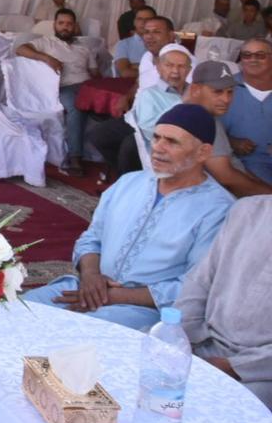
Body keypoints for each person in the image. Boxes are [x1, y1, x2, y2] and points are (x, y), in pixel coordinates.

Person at [23, 104, 234, 331]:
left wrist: (117, 296)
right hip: (88, 288)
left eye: (172, 142)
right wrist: (91, 275)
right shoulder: (129, 182)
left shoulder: (218, 209)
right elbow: (92, 238)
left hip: (147, 310)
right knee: (17, 312)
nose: (158, 148)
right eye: (156, 138)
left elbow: (196, 285)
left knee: (75, 338)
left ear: (203, 152)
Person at [176, 194, 272, 410]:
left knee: (227, 408)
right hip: (204, 342)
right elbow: (200, 281)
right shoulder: (247, 210)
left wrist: (233, 366)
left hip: (259, 371)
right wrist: (180, 337)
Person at [125, 60, 272, 198]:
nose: (226, 99)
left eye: (230, 92)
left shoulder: (195, 113)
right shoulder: (198, 120)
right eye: (218, 92)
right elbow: (226, 178)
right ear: (195, 89)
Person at [89, 43, 193, 181]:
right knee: (99, 134)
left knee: (130, 145)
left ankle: (132, 180)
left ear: (189, 69)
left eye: (181, 66)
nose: (175, 71)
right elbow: (147, 128)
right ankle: (125, 177)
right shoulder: (150, 92)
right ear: (159, 68)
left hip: (174, 135)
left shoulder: (195, 92)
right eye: (169, 65)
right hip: (146, 127)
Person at [16, 8, 99, 173]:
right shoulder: (46, 42)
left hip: (87, 86)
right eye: (61, 23)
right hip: (63, 87)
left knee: (110, 104)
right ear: (55, 25)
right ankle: (75, 157)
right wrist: (47, 58)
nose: (65, 27)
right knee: (76, 107)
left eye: (69, 24)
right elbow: (20, 49)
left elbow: (95, 73)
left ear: (75, 26)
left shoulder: (84, 47)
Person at [221, 38, 272, 185]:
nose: (253, 60)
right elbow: (207, 131)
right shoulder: (224, 88)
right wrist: (231, 142)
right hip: (246, 163)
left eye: (260, 55)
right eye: (246, 55)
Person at [112, 5, 155, 79]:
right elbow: (125, 73)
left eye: (148, 19)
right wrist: (155, 70)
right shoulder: (124, 44)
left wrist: (135, 66)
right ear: (134, 22)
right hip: (130, 84)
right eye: (139, 19)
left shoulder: (163, 43)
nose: (143, 22)